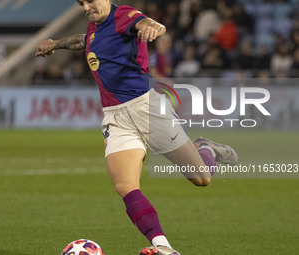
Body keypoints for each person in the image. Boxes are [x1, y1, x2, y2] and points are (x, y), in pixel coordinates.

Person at [35, 0, 238, 254]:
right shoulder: (94, 27)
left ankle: (206, 149)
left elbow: (150, 24)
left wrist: (152, 28)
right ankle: (163, 248)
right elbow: (84, 39)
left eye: (90, 1)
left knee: (201, 178)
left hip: (148, 108)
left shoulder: (124, 15)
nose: (86, 7)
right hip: (116, 118)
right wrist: (56, 44)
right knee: (125, 186)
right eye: (80, 3)